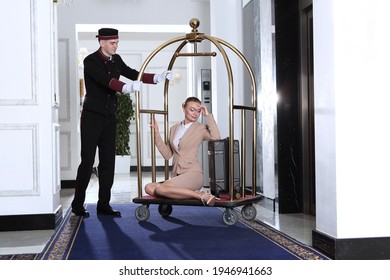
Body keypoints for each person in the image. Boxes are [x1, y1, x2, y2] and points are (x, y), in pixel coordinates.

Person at [71, 28, 173, 217]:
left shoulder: (116, 60)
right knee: (87, 161)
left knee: (108, 162)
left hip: (110, 117)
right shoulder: (90, 60)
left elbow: (133, 73)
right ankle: (77, 205)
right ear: (101, 42)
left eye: (117, 42)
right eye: (112, 43)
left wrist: (157, 77)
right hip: (91, 117)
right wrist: (125, 87)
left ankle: (104, 204)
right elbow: (105, 80)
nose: (116, 46)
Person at [145, 97, 221, 206]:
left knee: (161, 189)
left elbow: (216, 138)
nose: (195, 113)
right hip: (177, 175)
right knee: (149, 187)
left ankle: (202, 196)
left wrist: (207, 116)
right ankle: (194, 193)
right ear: (183, 108)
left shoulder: (201, 128)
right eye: (192, 110)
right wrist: (156, 134)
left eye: (198, 111)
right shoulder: (174, 128)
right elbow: (167, 155)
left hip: (193, 173)